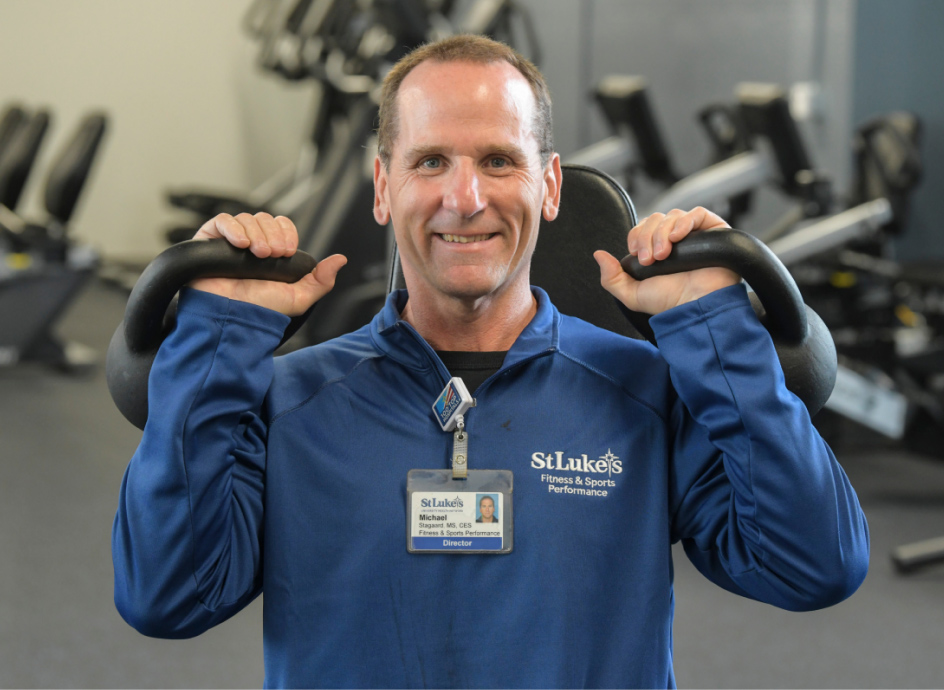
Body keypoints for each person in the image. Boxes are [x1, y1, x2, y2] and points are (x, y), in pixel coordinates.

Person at [112, 35, 869, 688]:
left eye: (500, 161)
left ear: (549, 187)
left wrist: (717, 333)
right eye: (431, 160)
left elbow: (812, 567)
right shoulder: (287, 403)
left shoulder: (649, 393)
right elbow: (168, 597)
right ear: (384, 187)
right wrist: (214, 340)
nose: (464, 197)